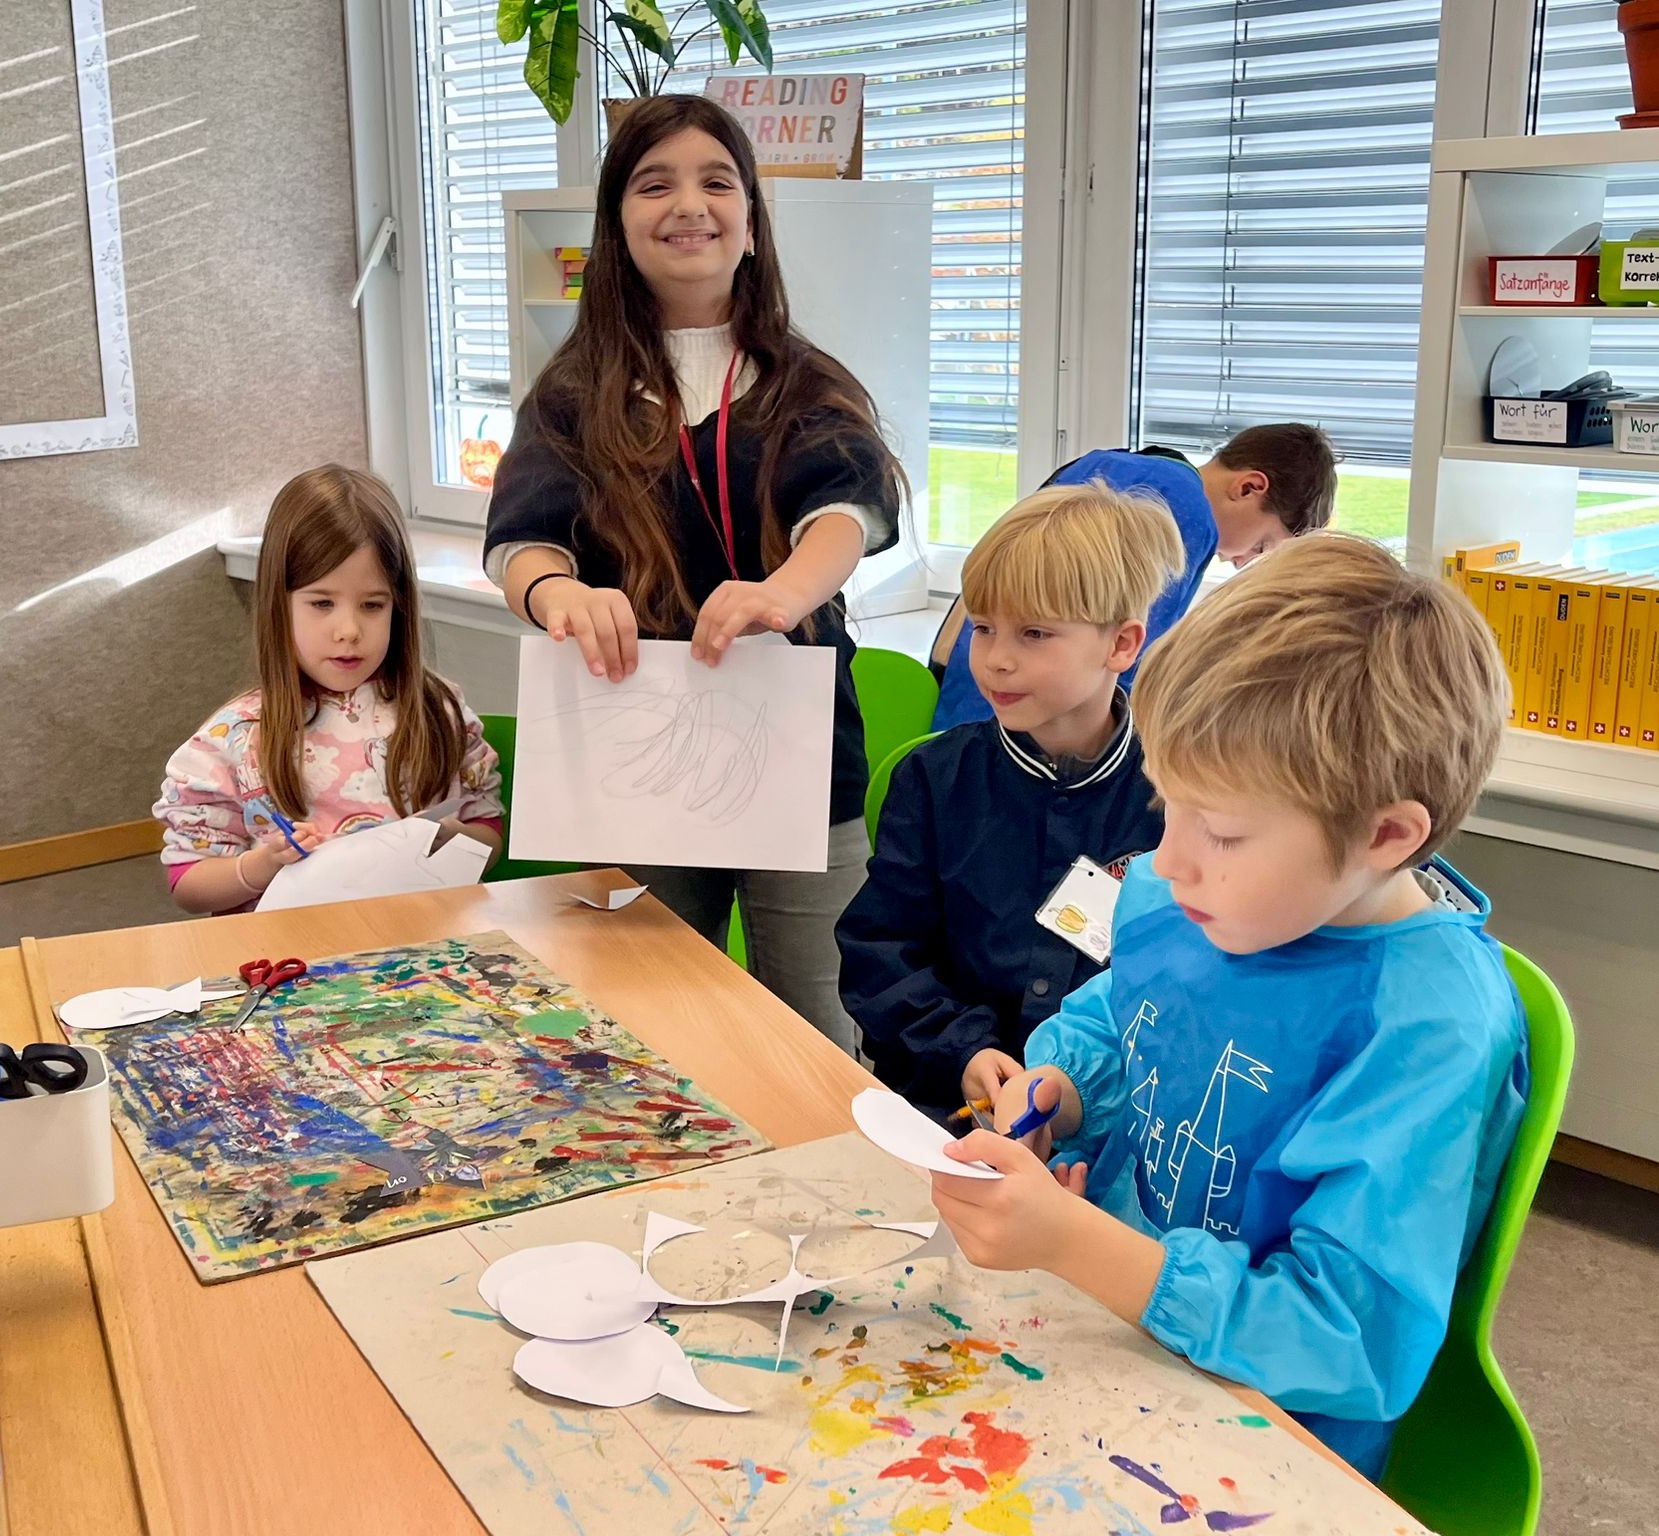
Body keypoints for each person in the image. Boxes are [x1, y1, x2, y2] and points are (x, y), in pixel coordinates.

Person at [927, 534, 1530, 1480]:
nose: (1166, 861)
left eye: (1222, 832)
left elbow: (1348, 1338)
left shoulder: (1427, 1027)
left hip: (1259, 1439)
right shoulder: (1193, 901)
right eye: (1167, 804)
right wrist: (1059, 1092)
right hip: (1093, 1332)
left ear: (1385, 835)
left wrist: (1082, 1245)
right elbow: (1116, 1025)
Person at [483, 95, 904, 1054]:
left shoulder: (807, 383)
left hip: (799, 757)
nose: (688, 204)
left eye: (717, 181)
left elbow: (848, 515)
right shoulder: (571, 393)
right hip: (635, 752)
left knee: (819, 1029)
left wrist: (785, 592)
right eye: (654, 183)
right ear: (617, 224)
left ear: (751, 222)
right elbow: (523, 540)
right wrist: (558, 594)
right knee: (650, 1027)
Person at [836, 481, 1184, 1119]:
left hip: (1116, 1117)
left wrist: (1078, 1084)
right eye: (983, 628)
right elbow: (881, 951)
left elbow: (1193, 978)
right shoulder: (934, 779)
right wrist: (964, 1050)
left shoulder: (1183, 793)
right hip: (950, 1106)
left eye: (1034, 633)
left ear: (1122, 645)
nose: (995, 660)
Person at [157, 465, 503, 914]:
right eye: (322, 603)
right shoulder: (234, 739)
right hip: (289, 949)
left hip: (418, 942)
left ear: (398, 607)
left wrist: (456, 838)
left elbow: (489, 833)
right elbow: (188, 883)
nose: (349, 630)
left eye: (372, 605)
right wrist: (261, 867)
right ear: (279, 606)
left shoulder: (439, 712)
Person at [930, 424, 1339, 730]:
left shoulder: (1117, 463)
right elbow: (1128, 660)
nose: (1240, 562)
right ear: (1249, 487)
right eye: (1261, 546)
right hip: (1032, 716)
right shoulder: (1188, 512)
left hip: (970, 676)